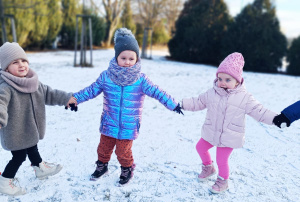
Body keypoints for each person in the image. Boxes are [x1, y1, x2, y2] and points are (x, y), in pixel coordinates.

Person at [70, 28, 183, 185]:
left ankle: (127, 169)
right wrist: (75, 98)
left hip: (129, 125)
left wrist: (173, 104)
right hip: (109, 122)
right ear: (116, 57)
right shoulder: (106, 76)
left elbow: (158, 92)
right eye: (123, 58)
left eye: (131, 58)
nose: (127, 62)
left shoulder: (141, 80)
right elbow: (91, 90)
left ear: (137, 59)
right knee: (103, 148)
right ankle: (102, 166)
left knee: (123, 151)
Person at [181, 52, 277, 193]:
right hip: (211, 131)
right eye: (220, 78)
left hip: (229, 136)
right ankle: (208, 167)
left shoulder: (245, 98)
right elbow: (198, 102)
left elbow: (260, 111)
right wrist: (182, 104)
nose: (222, 83)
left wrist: (276, 118)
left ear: (237, 81)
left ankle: (223, 180)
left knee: (222, 159)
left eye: (228, 80)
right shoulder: (212, 93)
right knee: (200, 147)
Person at [0, 42, 76, 196]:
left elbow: (50, 93)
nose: (21, 65)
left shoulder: (33, 82)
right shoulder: (5, 86)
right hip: (15, 132)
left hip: (30, 129)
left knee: (32, 146)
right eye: (15, 62)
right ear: (6, 68)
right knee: (19, 156)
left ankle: (39, 167)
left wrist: (67, 98)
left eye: (23, 60)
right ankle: (5, 181)